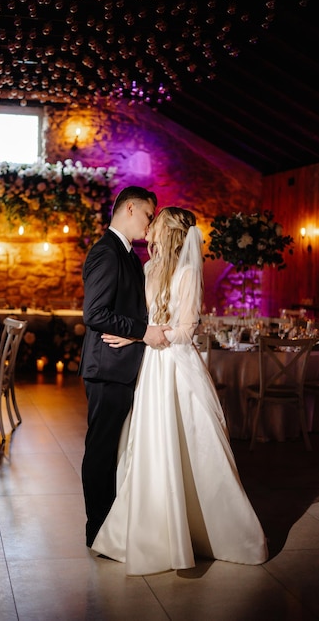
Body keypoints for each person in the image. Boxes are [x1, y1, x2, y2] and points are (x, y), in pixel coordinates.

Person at [91, 206, 268, 575]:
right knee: (150, 443)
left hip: (175, 364)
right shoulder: (148, 268)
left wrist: (154, 335)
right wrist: (135, 336)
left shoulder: (186, 273)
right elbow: (143, 319)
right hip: (151, 366)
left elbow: (186, 329)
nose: (149, 226)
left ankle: (208, 529)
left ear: (168, 231)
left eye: (155, 222)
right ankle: (149, 529)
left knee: (189, 443)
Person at [79, 186, 170, 548]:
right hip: (107, 368)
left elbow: (128, 310)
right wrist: (143, 333)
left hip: (121, 364)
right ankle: (97, 530)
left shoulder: (129, 254)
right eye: (149, 216)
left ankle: (113, 526)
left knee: (115, 449)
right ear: (130, 208)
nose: (150, 226)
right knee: (101, 450)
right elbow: (95, 314)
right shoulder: (107, 252)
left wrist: (137, 334)